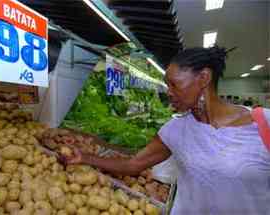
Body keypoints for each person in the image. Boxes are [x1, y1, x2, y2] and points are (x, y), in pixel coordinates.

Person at [62, 46, 270, 215]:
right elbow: (134, 164)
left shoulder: (264, 122)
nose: (168, 93)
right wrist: (86, 158)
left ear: (204, 78)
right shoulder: (176, 129)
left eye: (174, 84)